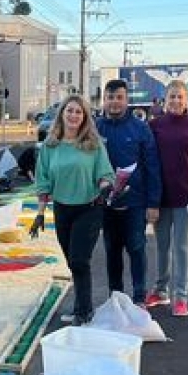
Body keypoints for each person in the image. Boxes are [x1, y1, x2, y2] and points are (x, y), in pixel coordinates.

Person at [29, 95, 114, 326]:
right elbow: (43, 180)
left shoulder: (93, 145)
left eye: (79, 112)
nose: (74, 115)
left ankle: (84, 312)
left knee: (79, 260)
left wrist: (106, 188)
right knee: (71, 261)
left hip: (89, 208)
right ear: (62, 114)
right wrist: (39, 213)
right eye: (70, 111)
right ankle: (82, 309)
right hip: (62, 209)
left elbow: (105, 174)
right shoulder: (50, 145)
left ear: (84, 117)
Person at [96, 79, 161, 306]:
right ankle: (116, 296)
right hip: (106, 204)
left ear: (127, 100)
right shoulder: (95, 129)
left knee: (136, 248)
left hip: (135, 203)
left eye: (119, 98)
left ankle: (139, 297)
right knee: (112, 250)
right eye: (110, 97)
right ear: (104, 100)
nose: (114, 102)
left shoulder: (141, 129)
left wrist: (153, 203)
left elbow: (152, 167)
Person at [146, 81, 188, 317]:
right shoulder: (154, 126)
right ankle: (161, 291)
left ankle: (180, 297)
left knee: (181, 247)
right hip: (160, 196)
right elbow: (148, 161)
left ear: (187, 101)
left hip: (186, 197)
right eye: (172, 97)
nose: (176, 101)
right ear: (164, 99)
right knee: (162, 247)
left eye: (180, 97)